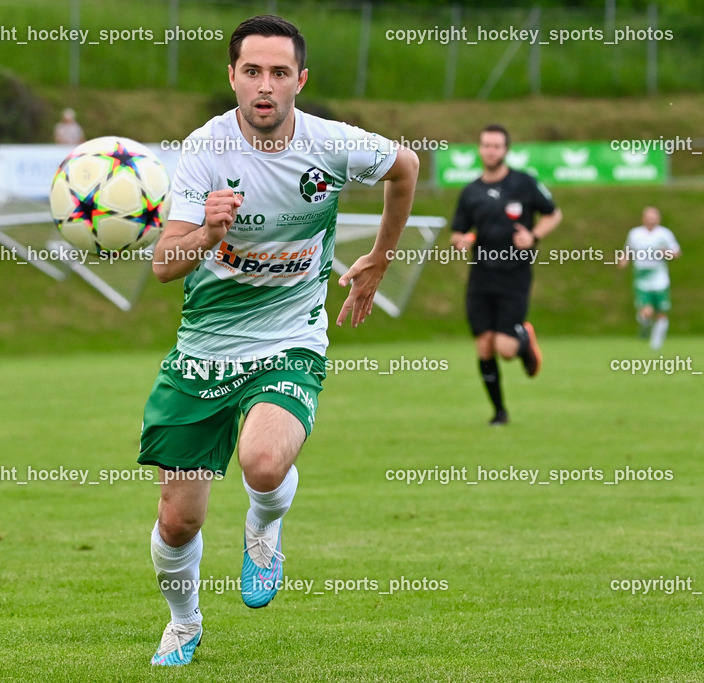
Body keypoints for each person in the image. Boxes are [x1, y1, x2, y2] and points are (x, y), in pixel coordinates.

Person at [138, 15, 418, 666]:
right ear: (232, 77)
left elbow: (405, 167)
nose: (266, 85)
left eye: (280, 72)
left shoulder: (331, 143)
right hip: (204, 350)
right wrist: (206, 235)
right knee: (179, 518)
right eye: (253, 71)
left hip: (290, 337)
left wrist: (378, 257)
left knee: (264, 461)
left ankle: (264, 528)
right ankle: (184, 624)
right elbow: (163, 263)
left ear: (301, 80)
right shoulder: (204, 152)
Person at [449, 124, 562, 426]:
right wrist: (460, 240)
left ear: (506, 150)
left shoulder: (524, 183)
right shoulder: (471, 192)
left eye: (497, 146)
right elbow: (458, 232)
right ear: (479, 148)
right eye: (486, 145)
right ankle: (499, 412)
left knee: (506, 349)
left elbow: (553, 213)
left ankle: (523, 339)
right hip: (481, 278)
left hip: (514, 276)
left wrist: (534, 236)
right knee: (484, 347)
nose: (491, 150)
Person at [617, 206, 680, 349]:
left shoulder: (665, 234)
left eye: (654, 217)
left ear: (658, 218)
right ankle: (645, 325)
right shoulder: (635, 233)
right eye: (648, 217)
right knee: (646, 312)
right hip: (642, 277)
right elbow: (628, 250)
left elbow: (676, 253)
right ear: (643, 218)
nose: (651, 220)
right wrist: (623, 260)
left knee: (661, 313)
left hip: (660, 278)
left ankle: (655, 344)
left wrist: (666, 253)